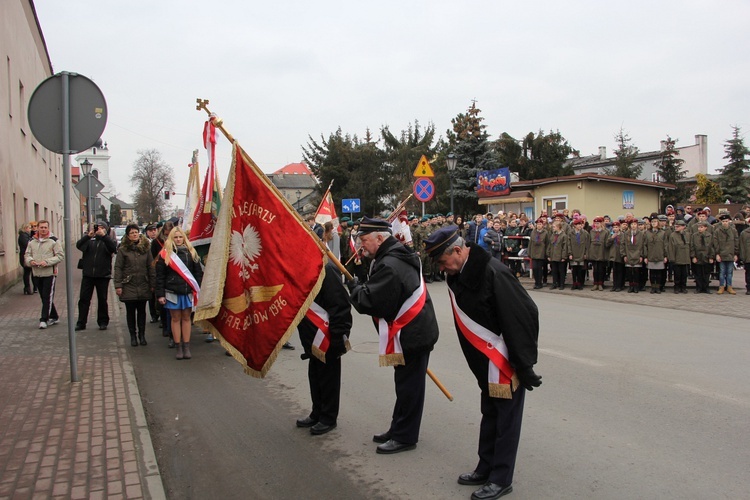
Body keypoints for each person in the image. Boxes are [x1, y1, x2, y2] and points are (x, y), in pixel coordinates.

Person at [424, 226, 541, 500]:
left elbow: (522, 316)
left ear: (457, 250)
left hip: (505, 364)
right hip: (485, 365)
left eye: (443, 262)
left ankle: (501, 478)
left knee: (506, 422)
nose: (443, 269)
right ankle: (485, 466)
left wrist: (524, 364)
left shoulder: (494, 273)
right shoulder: (460, 274)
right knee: (490, 416)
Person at [347, 217, 439, 455]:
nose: (361, 245)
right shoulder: (391, 257)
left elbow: (371, 300)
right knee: (405, 384)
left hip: (413, 334)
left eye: (365, 240)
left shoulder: (390, 264)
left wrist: (355, 289)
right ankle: (398, 427)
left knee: (410, 388)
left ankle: (405, 436)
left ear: (380, 238)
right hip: (411, 333)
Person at [295, 263, 353, 436]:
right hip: (312, 335)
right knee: (315, 375)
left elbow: (340, 305)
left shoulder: (326, 269)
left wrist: (338, 336)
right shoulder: (302, 268)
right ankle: (317, 412)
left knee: (329, 378)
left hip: (328, 335)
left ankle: (328, 417)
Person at [155, 227, 203, 360]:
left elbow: (197, 274)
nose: (178, 239)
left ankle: (186, 346)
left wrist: (198, 290)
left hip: (188, 291)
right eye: (175, 237)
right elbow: (160, 276)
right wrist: (160, 294)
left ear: (184, 238)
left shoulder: (192, 253)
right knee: (175, 319)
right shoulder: (165, 254)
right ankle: (178, 346)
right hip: (172, 291)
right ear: (171, 238)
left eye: (180, 237)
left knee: (187, 318)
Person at [114, 223, 156, 346]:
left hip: (143, 284)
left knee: (142, 312)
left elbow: (151, 267)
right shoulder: (123, 250)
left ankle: (142, 335)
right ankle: (133, 336)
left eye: (136, 232)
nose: (134, 235)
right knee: (130, 312)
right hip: (129, 285)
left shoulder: (146, 249)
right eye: (132, 233)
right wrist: (118, 285)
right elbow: (118, 268)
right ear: (128, 235)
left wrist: (152, 283)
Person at [74, 221, 117, 331]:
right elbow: (79, 245)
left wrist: (104, 236)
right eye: (97, 228)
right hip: (88, 275)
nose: (99, 230)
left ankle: (103, 321)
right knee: (84, 299)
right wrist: (88, 236)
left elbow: (113, 248)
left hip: (103, 275)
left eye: (102, 228)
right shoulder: (90, 240)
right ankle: (81, 322)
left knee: (102, 299)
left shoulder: (108, 240)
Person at [24, 220, 64, 329]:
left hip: (49, 273)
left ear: (48, 228)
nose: (43, 229)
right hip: (36, 273)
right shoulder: (32, 241)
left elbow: (60, 256)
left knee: (47, 296)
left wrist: (46, 262)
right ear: (37, 228)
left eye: (45, 227)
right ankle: (54, 316)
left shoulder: (54, 241)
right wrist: (30, 261)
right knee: (44, 296)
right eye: (41, 227)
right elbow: (27, 255)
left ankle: (43, 319)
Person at [713, 213, 739, 295]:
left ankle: (729, 286)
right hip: (721, 254)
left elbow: (736, 242)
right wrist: (717, 254)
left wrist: (736, 254)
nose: (725, 223)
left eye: (726, 221)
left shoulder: (733, 231)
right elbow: (715, 243)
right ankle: (721, 286)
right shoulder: (717, 231)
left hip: (731, 254)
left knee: (730, 272)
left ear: (729, 221)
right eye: (723, 221)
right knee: (722, 272)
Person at [667, 219, 690, 293]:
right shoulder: (673, 235)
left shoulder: (687, 234)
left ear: (683, 227)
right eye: (675, 226)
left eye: (678, 226)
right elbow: (671, 248)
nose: (676, 227)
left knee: (684, 274)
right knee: (677, 274)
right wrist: (672, 258)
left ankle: (683, 287)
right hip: (677, 258)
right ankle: (677, 287)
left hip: (685, 258)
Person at [690, 221, 714, 294]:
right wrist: (693, 256)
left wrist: (711, 257)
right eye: (699, 227)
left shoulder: (709, 236)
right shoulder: (694, 236)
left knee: (706, 274)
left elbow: (712, 247)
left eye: (701, 227)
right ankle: (699, 288)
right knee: (698, 274)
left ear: (705, 228)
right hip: (698, 256)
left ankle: (706, 287)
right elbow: (692, 246)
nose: (699, 229)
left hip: (706, 257)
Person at [528, 218, 549, 289]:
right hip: (534, 252)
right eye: (537, 224)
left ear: (542, 225)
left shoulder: (545, 233)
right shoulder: (533, 232)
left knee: (539, 268)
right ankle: (536, 281)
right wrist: (529, 252)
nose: (539, 226)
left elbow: (547, 244)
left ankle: (539, 282)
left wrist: (546, 253)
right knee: (534, 268)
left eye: (540, 224)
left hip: (541, 253)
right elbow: (530, 243)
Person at [18, 223, 34, 295]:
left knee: (28, 272)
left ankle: (28, 288)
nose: (30, 229)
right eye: (29, 228)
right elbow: (28, 244)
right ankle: (27, 287)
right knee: (27, 272)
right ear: (25, 228)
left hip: (26, 256)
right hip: (25, 256)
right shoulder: (23, 236)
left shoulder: (26, 236)